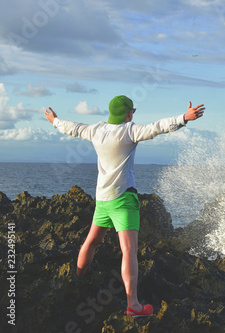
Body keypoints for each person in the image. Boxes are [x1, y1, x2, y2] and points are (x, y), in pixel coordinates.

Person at [44, 95, 205, 318]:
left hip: (102, 199)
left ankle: (77, 280)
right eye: (132, 112)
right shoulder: (129, 132)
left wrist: (55, 120)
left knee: (90, 242)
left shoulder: (97, 130)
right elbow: (157, 127)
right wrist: (183, 118)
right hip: (123, 200)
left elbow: (74, 128)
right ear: (128, 114)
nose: (133, 116)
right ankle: (133, 305)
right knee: (128, 251)